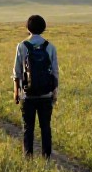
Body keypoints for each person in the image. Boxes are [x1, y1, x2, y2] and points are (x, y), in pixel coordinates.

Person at [12, 14, 59, 159]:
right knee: (45, 127)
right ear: (44, 28)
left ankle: (28, 157)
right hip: (46, 94)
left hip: (28, 95)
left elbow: (17, 72)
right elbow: (55, 71)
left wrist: (16, 92)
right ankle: (46, 157)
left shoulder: (22, 46)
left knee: (28, 128)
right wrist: (55, 91)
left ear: (27, 28)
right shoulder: (50, 47)